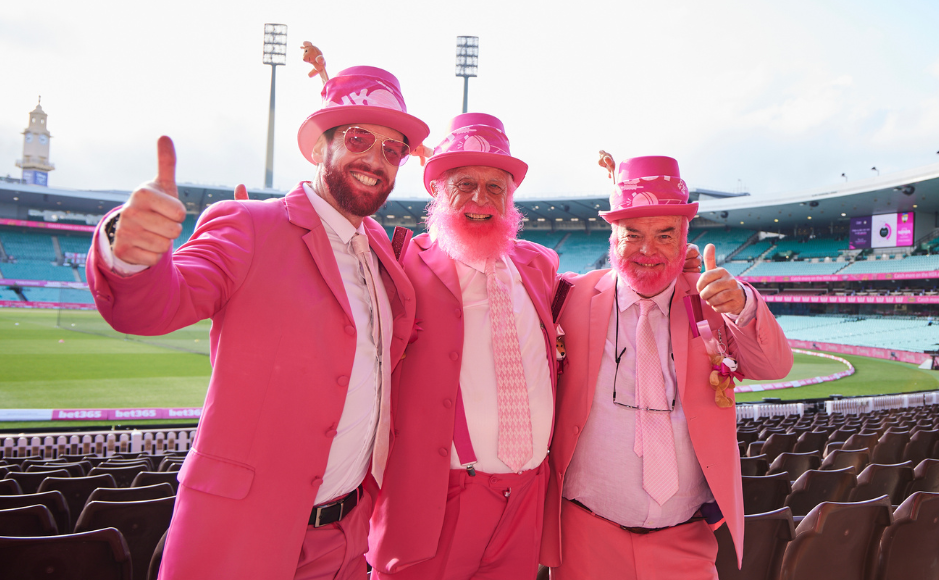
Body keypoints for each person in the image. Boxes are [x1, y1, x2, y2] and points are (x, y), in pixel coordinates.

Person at [86, 66, 428, 580]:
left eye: (391, 149)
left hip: (346, 536)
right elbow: (154, 305)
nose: (375, 160)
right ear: (318, 149)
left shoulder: (382, 247)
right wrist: (130, 253)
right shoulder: (248, 226)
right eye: (358, 139)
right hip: (242, 534)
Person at [540, 156, 793, 579]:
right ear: (611, 236)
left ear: (684, 239)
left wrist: (744, 307)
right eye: (632, 234)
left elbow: (774, 365)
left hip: (685, 542)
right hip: (584, 537)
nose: (647, 250)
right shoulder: (569, 298)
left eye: (664, 234)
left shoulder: (712, 302)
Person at [366, 112, 560, 580]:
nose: (480, 199)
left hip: (526, 498)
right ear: (436, 191)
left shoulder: (539, 266)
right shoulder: (398, 262)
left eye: (496, 187)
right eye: (465, 183)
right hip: (437, 500)